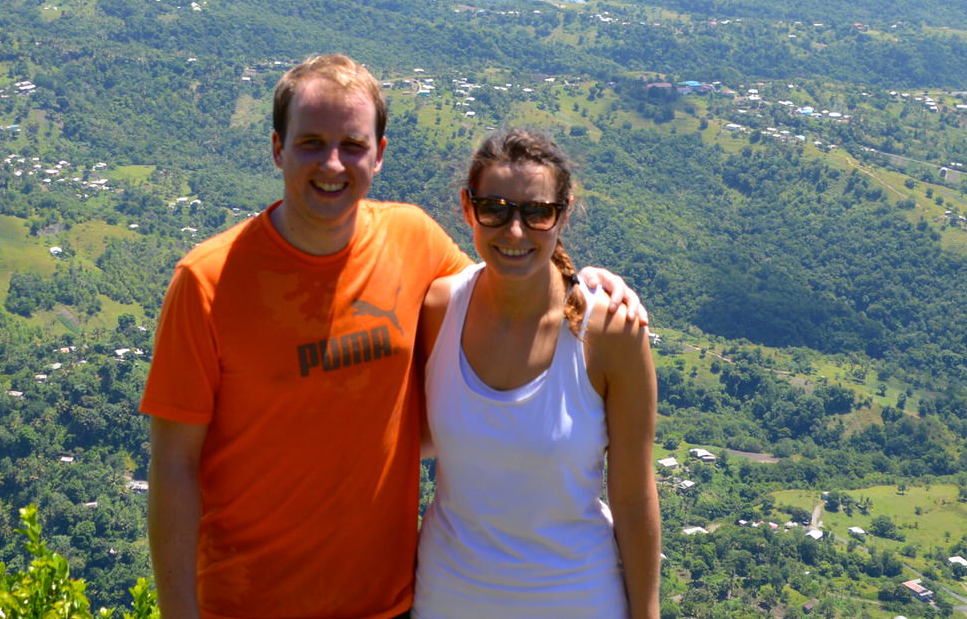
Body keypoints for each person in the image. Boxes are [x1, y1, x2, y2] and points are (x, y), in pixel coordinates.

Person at [141, 55, 642, 619]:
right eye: (311, 143)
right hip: (247, 603)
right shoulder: (206, 283)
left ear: (379, 154)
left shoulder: (413, 241)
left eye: (352, 145)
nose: (333, 163)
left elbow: (511, 276)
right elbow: (173, 466)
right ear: (278, 148)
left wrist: (590, 281)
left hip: (394, 602)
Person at [413, 128, 660, 619]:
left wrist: (647, 612)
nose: (515, 231)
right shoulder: (439, 308)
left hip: (576, 599)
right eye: (495, 209)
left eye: (537, 212)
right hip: (446, 597)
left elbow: (632, 497)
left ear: (563, 215)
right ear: (468, 208)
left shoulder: (611, 333)